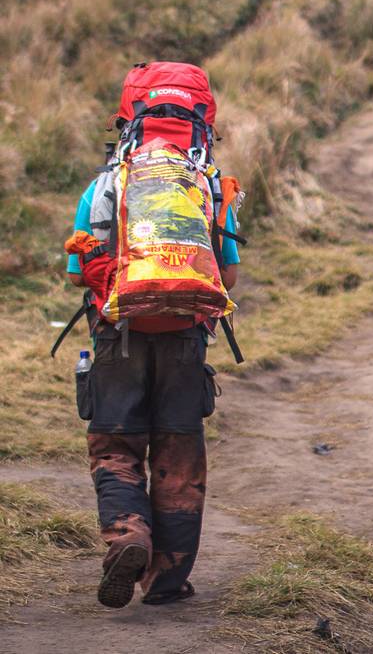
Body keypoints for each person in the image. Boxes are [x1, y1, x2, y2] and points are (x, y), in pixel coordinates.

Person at [66, 62, 241, 609]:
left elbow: (77, 270)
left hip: (117, 332)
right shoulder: (209, 184)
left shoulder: (108, 183)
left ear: (129, 117)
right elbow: (227, 275)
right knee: (179, 452)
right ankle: (168, 581)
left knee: (116, 445)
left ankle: (129, 537)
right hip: (187, 336)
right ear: (201, 119)